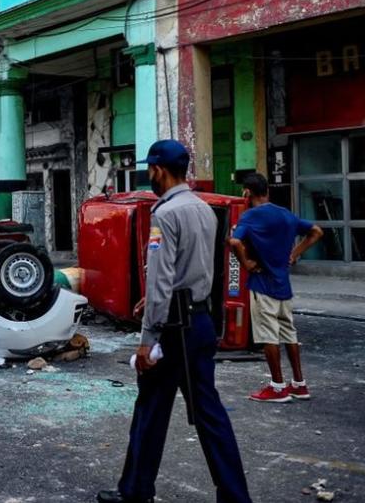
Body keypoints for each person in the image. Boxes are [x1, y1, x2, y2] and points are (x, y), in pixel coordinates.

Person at [98, 140, 251, 503]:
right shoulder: (202, 209)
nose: (149, 176)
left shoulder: (165, 214)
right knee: (209, 414)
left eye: (149, 170)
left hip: (171, 328)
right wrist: (154, 300)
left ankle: (135, 492)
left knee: (151, 410)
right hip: (198, 322)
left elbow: (162, 277)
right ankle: (234, 496)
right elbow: (193, 271)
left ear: (158, 171)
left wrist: (147, 339)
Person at [228, 173, 323, 403]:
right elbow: (316, 231)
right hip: (284, 285)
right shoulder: (286, 215)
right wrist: (294, 254)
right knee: (289, 333)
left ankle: (277, 386)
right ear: (267, 191)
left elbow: (234, 241)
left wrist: (247, 263)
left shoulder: (250, 216)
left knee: (268, 335)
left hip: (262, 285)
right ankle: (299, 384)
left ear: (247, 192)